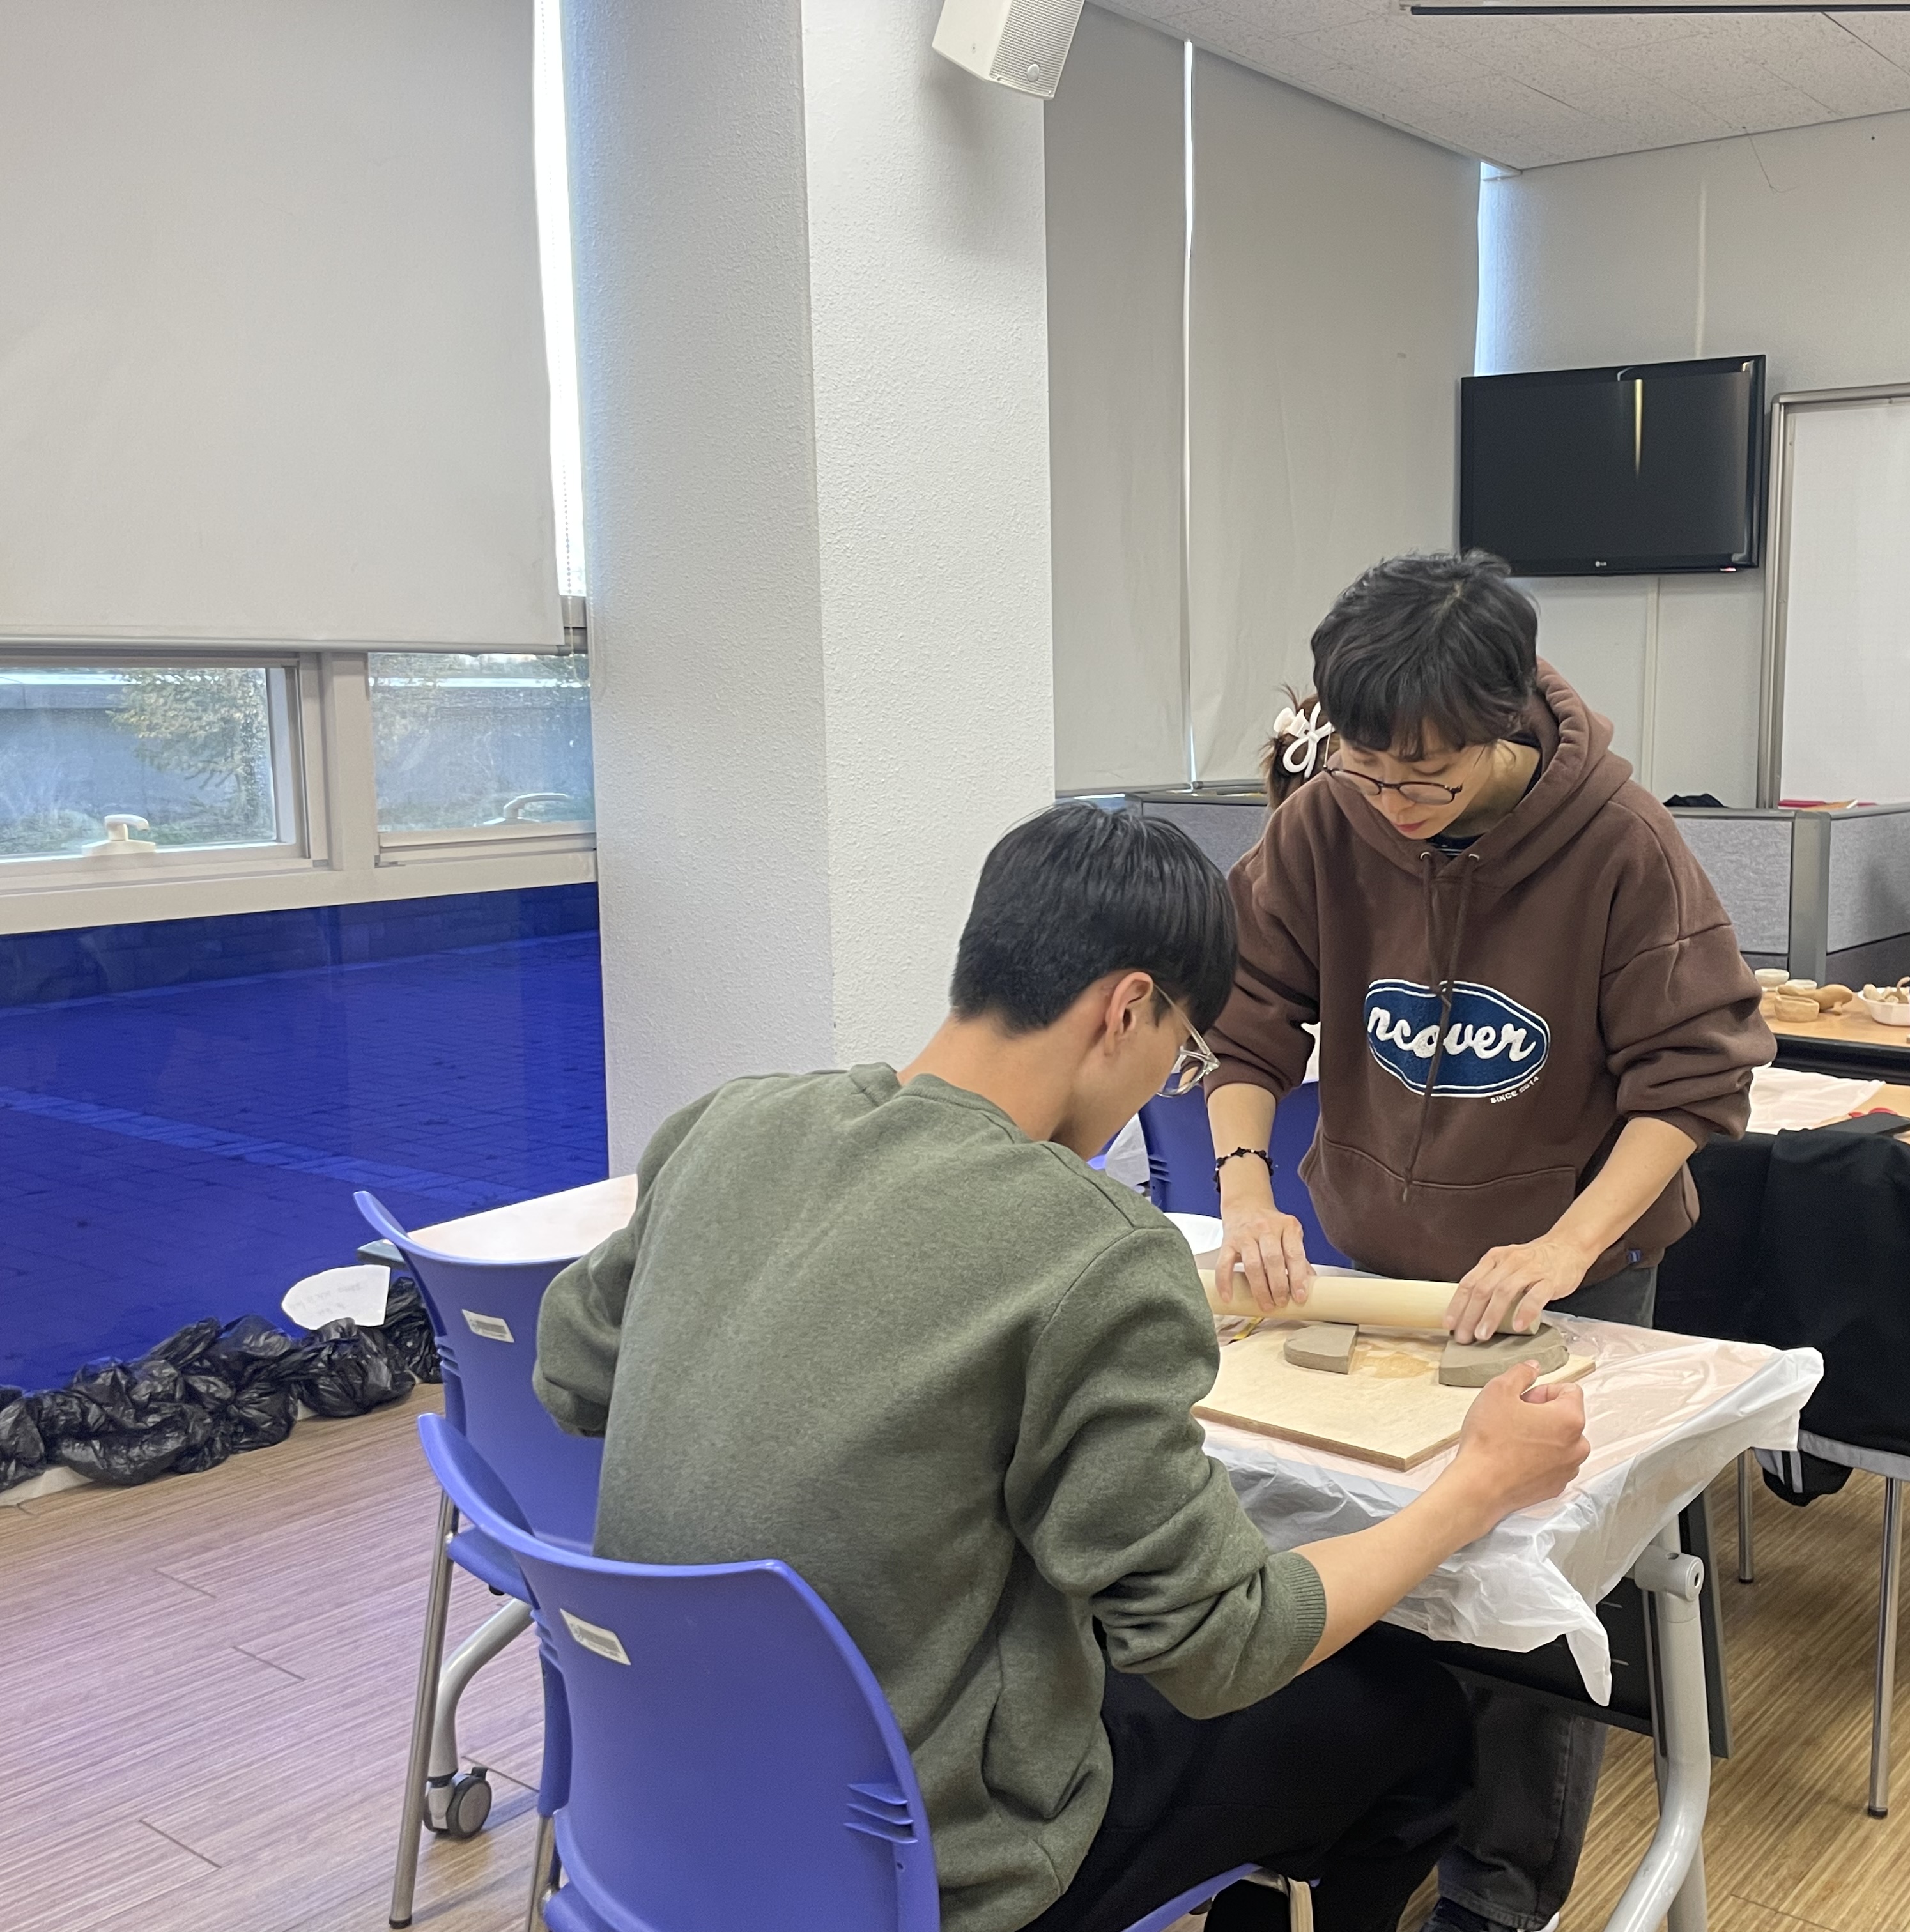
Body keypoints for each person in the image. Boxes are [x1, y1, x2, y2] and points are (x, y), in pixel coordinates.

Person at [532, 802, 1589, 1932]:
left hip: (666, 1799)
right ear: (1126, 1008)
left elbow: (570, 1371)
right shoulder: (1094, 1251)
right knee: (1408, 1716)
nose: (1166, 1082)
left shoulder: (729, 1124)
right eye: (1184, 1055)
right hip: (927, 1867)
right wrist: (1475, 1487)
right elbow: (1221, 1646)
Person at [1204, 551, 1770, 1932]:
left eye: (1426, 776)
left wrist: (1565, 1247)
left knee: (1528, 1589)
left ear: (1506, 723)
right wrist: (1247, 1190)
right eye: (1366, 771)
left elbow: (1693, 1085)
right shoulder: (1331, 821)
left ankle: (1501, 1894)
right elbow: (1248, 1014)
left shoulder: (1623, 844)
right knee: (1376, 1553)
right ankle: (1371, 1841)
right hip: (1374, 1273)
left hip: (1566, 1281)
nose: (1393, 804)